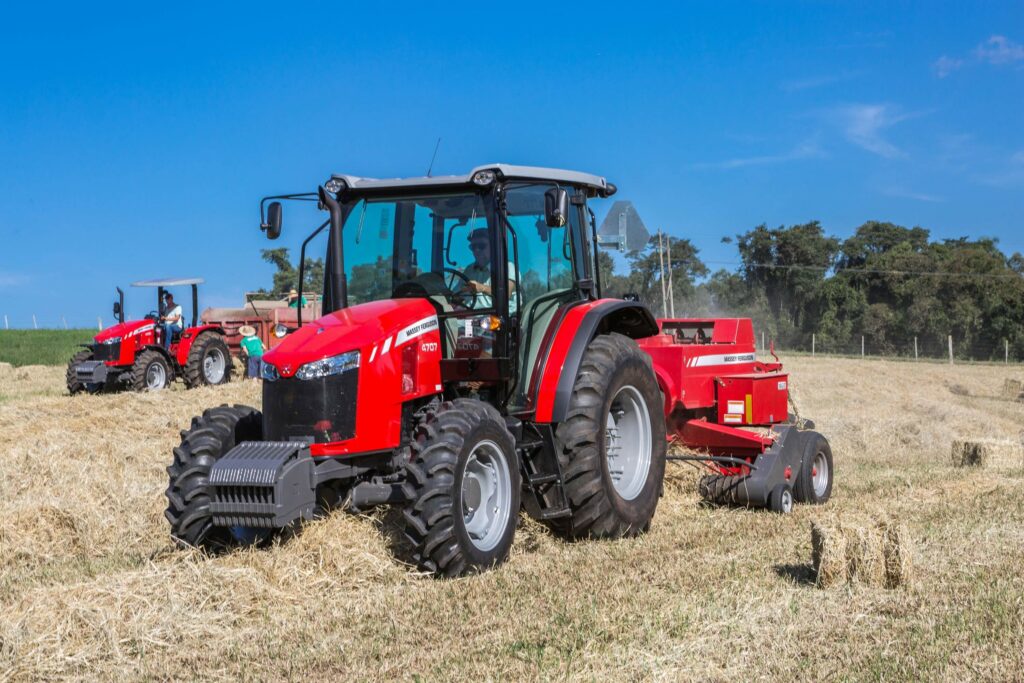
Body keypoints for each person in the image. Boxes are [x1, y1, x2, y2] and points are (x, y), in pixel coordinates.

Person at [459, 228, 517, 311]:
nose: (477, 250)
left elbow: (506, 294)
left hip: (499, 316)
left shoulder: (507, 267)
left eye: (481, 246)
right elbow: (457, 294)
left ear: (493, 246)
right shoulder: (469, 270)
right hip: (470, 316)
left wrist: (482, 288)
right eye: (473, 247)